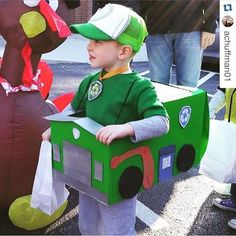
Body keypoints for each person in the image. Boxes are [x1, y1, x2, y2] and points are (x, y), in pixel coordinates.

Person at [42, 3, 169, 235]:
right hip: (87, 168)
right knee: (87, 224)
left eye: (98, 41)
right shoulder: (89, 82)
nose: (89, 47)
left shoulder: (140, 87)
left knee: (117, 229)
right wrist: (55, 128)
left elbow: (161, 122)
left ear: (123, 52)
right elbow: (72, 110)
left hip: (119, 172)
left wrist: (127, 128)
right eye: (90, 40)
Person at [139, 0, 219, 87]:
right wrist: (140, 25)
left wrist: (210, 26)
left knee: (188, 86)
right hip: (156, 29)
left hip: (191, 29)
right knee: (158, 84)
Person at [209, 87, 236, 230]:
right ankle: (235, 201)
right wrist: (211, 109)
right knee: (234, 168)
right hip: (232, 126)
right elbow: (224, 89)